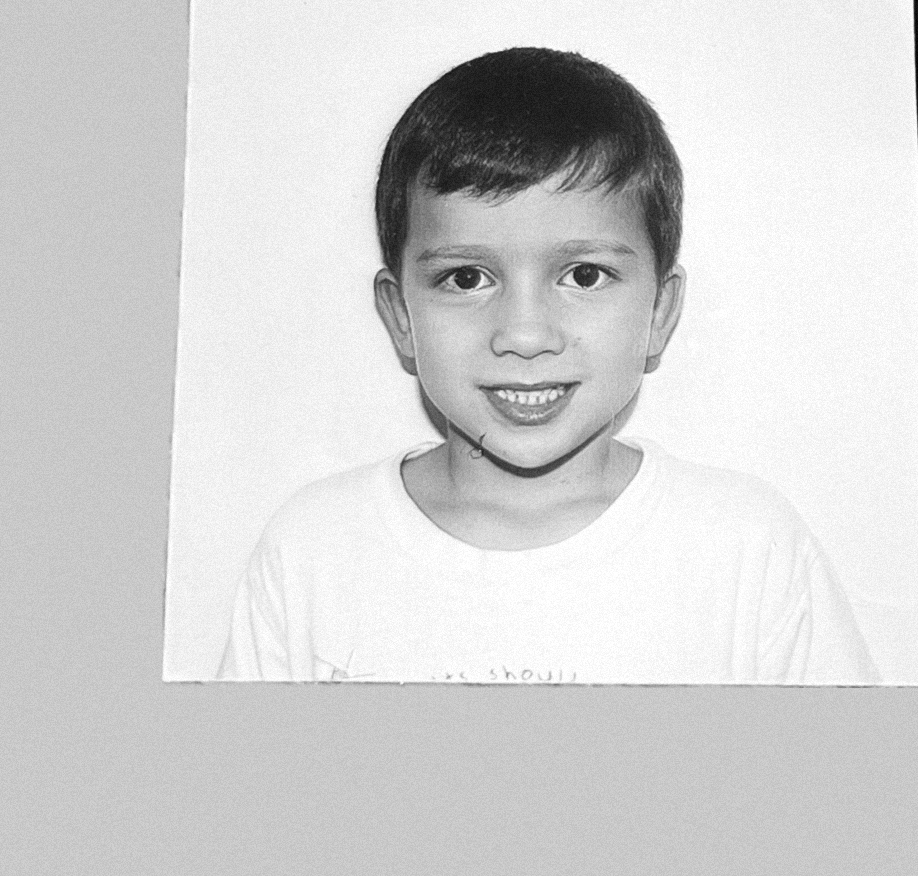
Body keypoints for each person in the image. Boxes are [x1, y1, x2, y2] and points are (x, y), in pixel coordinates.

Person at [219, 47, 879, 684]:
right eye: (467, 277)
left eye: (585, 275)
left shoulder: (746, 550)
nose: (525, 335)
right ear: (400, 318)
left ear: (659, 311)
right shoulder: (314, 552)